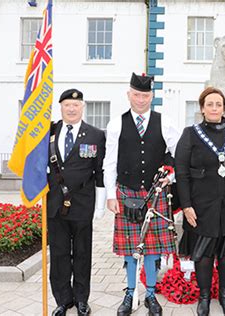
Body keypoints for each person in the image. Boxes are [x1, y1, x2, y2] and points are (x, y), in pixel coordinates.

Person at [175, 87, 225, 316]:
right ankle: (204, 297)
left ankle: (224, 295)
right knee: (204, 254)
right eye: (209, 104)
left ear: (223, 108)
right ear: (202, 108)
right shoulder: (190, 134)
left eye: (218, 104)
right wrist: (187, 205)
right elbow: (182, 173)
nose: (214, 108)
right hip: (202, 206)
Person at [104, 72, 180, 316]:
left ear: (152, 96)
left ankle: (150, 294)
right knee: (130, 250)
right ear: (129, 94)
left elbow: (180, 155)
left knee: (153, 248)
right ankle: (129, 293)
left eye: (145, 95)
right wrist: (110, 195)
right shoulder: (116, 123)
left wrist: (171, 177)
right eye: (136, 95)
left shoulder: (165, 122)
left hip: (155, 193)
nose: (140, 99)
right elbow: (109, 162)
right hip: (126, 191)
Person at [47, 89, 106, 316]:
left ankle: (82, 299)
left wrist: (100, 205)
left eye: (76, 105)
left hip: (82, 203)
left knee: (82, 253)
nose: (71, 109)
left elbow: (99, 171)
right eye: (67, 105)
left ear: (83, 107)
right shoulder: (48, 132)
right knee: (59, 254)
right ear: (61, 107)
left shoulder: (95, 135)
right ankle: (63, 300)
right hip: (54, 203)